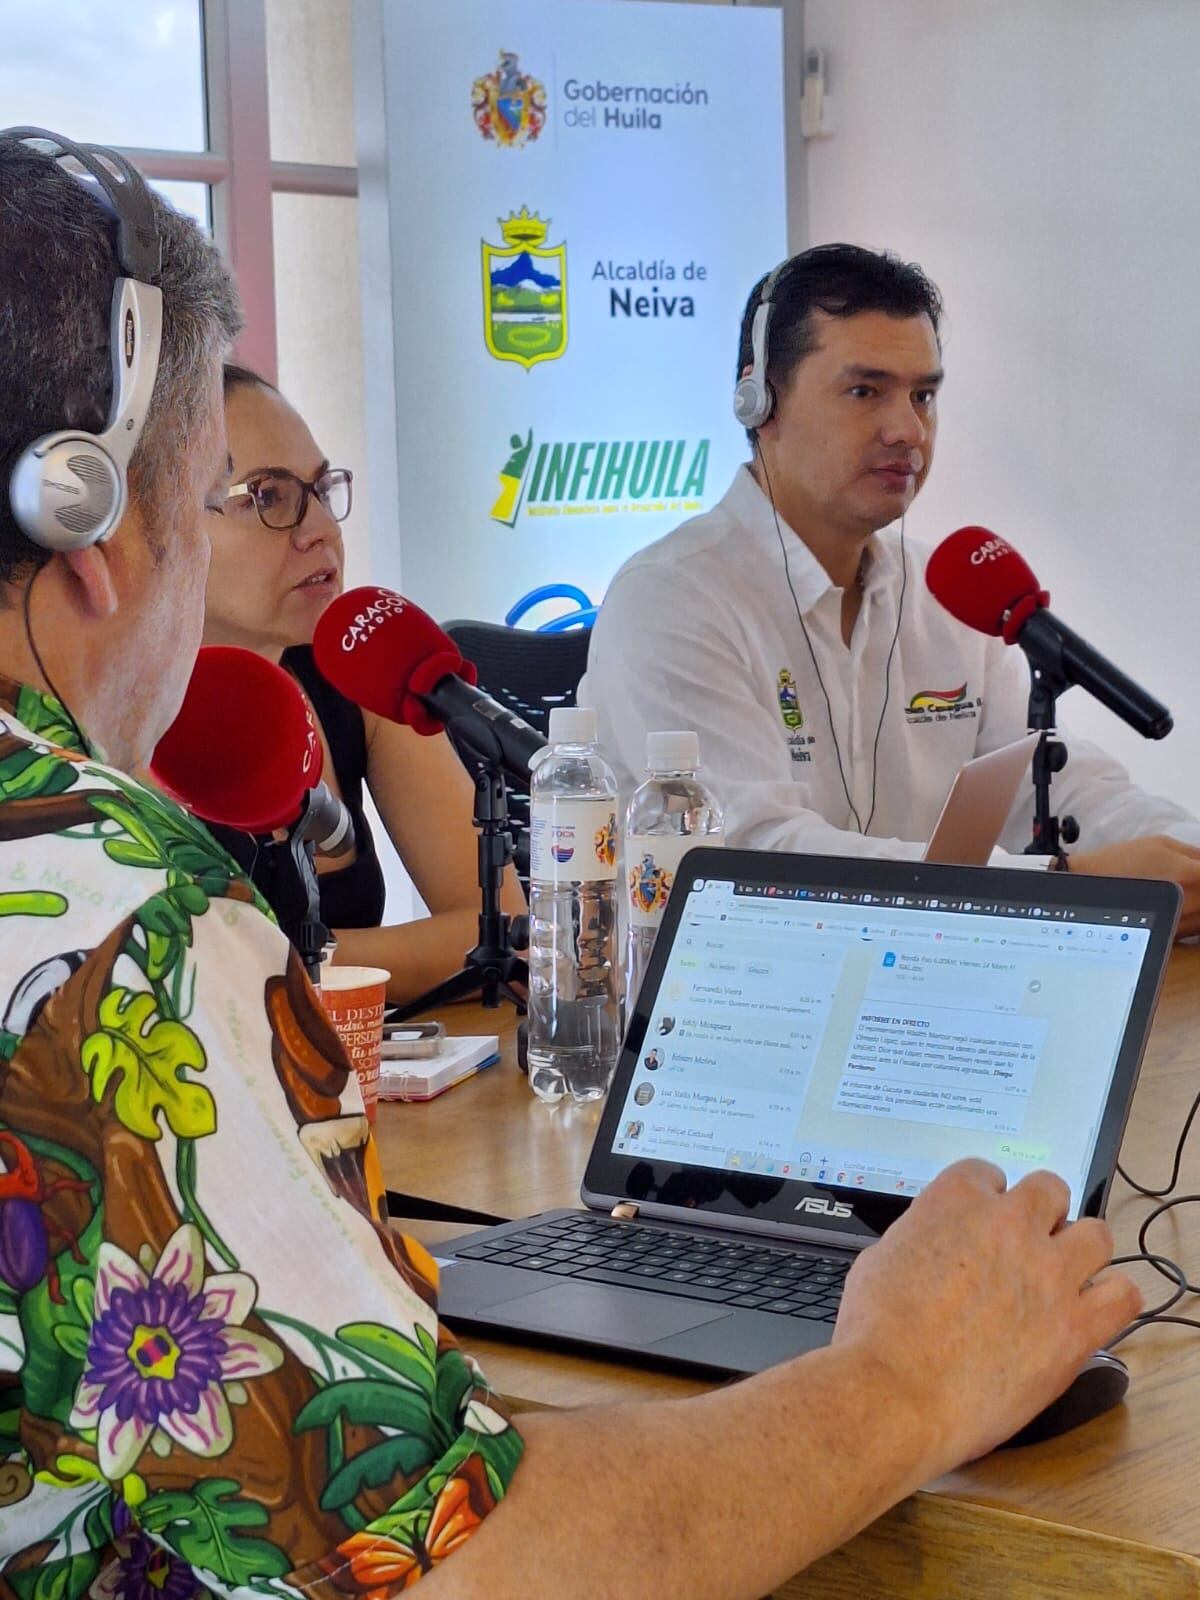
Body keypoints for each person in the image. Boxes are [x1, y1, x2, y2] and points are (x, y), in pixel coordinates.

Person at [0, 132, 1141, 1600]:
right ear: (87, 517)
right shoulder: (120, 923)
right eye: (218, 488)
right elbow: (454, 1570)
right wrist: (909, 1379)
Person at [580, 244, 1200, 934]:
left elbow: (1061, 784)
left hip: (921, 977)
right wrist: (1066, 887)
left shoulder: (947, 596)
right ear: (760, 402)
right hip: (728, 988)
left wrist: (1184, 855)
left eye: (923, 395)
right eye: (865, 392)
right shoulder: (671, 600)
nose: (908, 431)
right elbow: (752, 858)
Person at [201, 365, 525, 1005]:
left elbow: (502, 934)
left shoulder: (354, 666)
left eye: (321, 489)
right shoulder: (111, 721)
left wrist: (277, 958)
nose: (321, 528)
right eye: (268, 496)